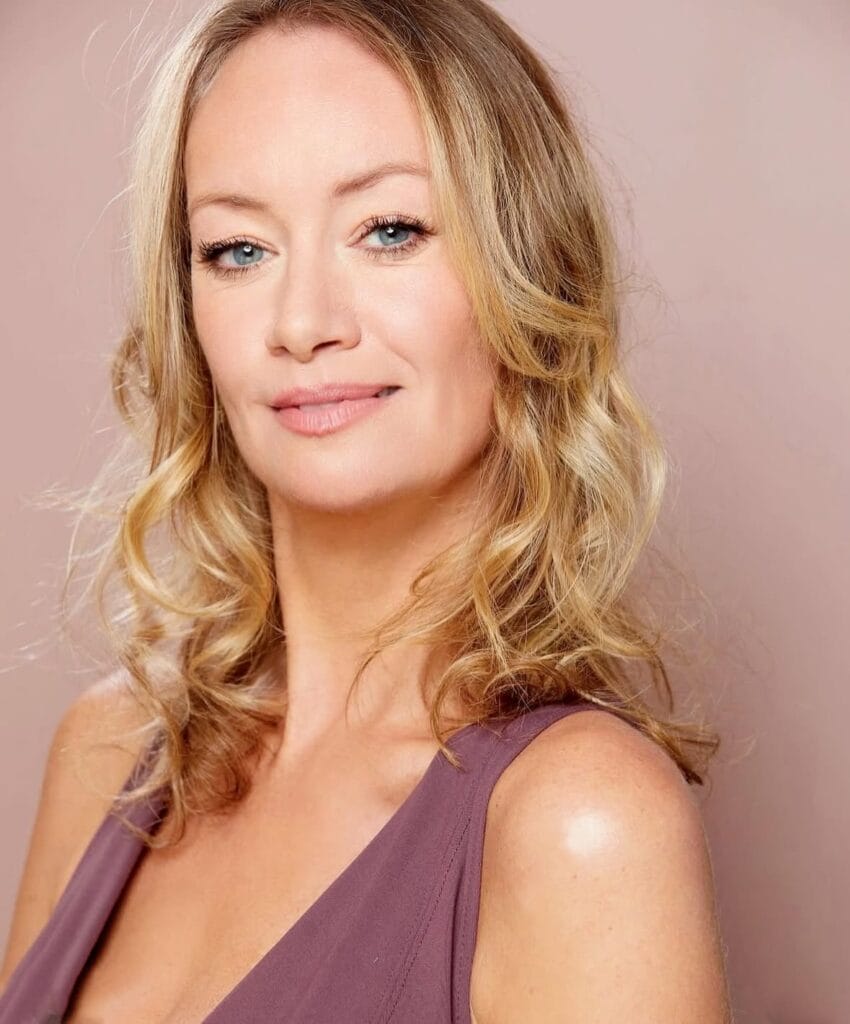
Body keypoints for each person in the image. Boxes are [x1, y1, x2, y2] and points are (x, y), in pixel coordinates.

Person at [0, 0, 732, 1020]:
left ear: (525, 276)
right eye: (238, 249)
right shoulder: (107, 752)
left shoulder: (579, 822)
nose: (301, 324)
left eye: (389, 230)